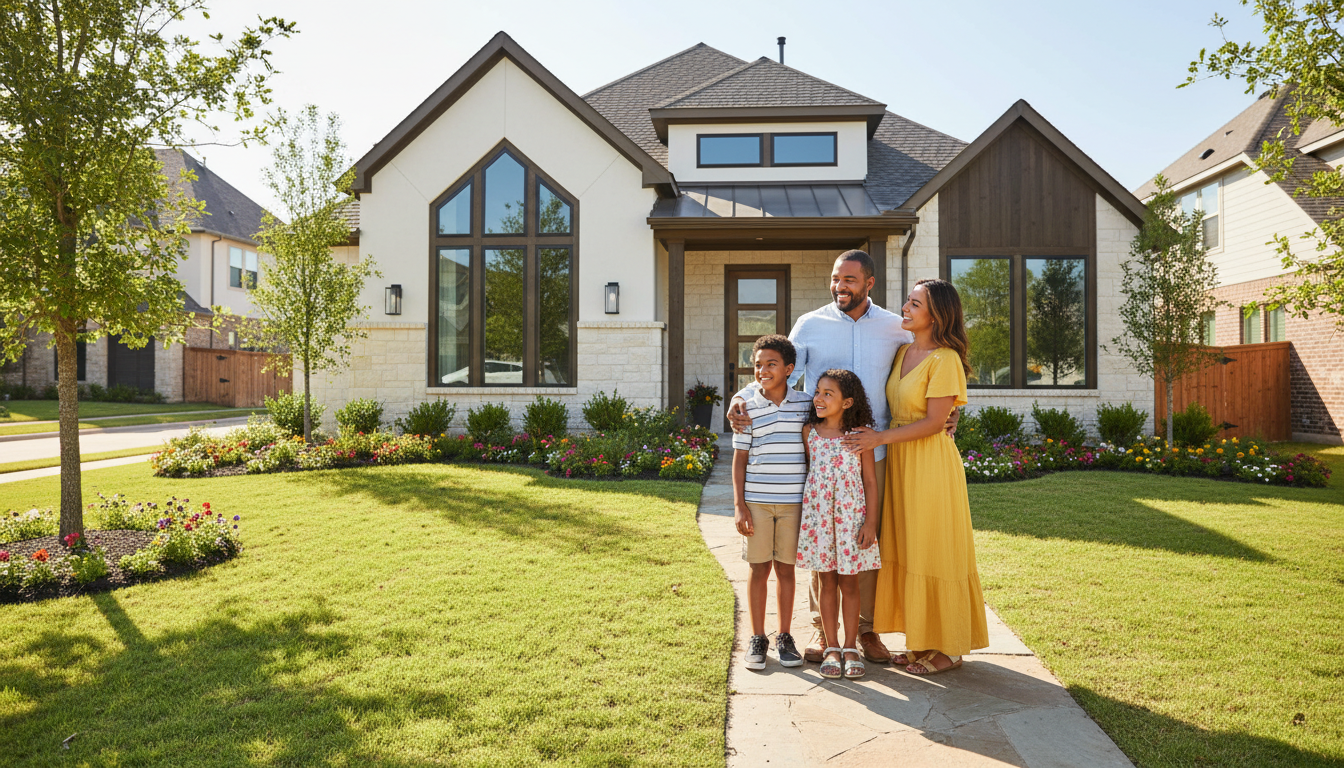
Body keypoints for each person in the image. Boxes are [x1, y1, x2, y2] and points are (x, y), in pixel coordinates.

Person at [728, 249, 957, 665]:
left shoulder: (895, 327)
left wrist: (951, 410)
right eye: (836, 279)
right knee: (821, 543)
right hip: (820, 457)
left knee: (864, 542)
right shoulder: (810, 324)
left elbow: (929, 361)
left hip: (876, 451)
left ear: (869, 283)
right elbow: (775, 368)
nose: (840, 286)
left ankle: (865, 632)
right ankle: (823, 629)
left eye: (849, 280)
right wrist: (739, 398)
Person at [840, 278, 988, 675]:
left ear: (936, 314)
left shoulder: (946, 359)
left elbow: (937, 421)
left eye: (915, 303)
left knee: (935, 546)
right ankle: (921, 640)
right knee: (909, 548)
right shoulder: (904, 350)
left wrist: (879, 439)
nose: (905, 308)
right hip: (902, 462)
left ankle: (950, 646)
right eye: (907, 301)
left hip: (930, 464)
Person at [732, 334, 813, 671]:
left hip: (795, 502)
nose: (762, 370)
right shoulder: (746, 408)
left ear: (789, 369)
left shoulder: (806, 404)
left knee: (786, 569)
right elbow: (739, 460)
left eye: (771, 364)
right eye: (758, 365)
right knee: (758, 568)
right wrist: (740, 505)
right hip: (758, 502)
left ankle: (784, 636)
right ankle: (757, 637)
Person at [797, 369, 881, 679]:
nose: (818, 398)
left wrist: (870, 522)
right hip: (821, 521)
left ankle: (850, 647)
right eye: (817, 392)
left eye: (827, 394)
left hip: (850, 521)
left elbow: (870, 482)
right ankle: (831, 646)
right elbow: (813, 476)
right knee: (826, 583)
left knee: (850, 583)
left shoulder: (861, 435)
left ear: (847, 402)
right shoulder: (810, 433)